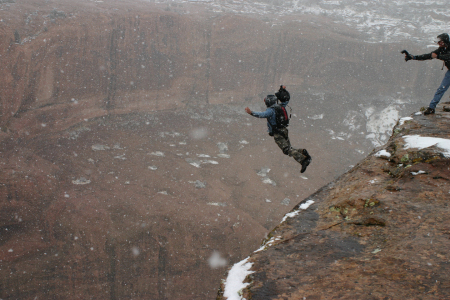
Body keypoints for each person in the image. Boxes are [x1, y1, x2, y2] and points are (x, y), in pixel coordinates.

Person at [245, 86, 312, 173]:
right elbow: (286, 100)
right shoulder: (280, 106)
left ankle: (303, 160)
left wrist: (251, 113)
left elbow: (262, 114)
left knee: (286, 150)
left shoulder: (270, 110)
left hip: (278, 133)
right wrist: (283, 90)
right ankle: (303, 152)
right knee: (289, 148)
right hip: (284, 130)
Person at [403, 33, 450, 115]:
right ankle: (431, 108)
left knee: (442, 89)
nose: (438, 43)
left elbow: (448, 57)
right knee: (441, 89)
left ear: (444, 41)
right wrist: (413, 57)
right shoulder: (441, 49)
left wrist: (438, 56)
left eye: (440, 41)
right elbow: (429, 56)